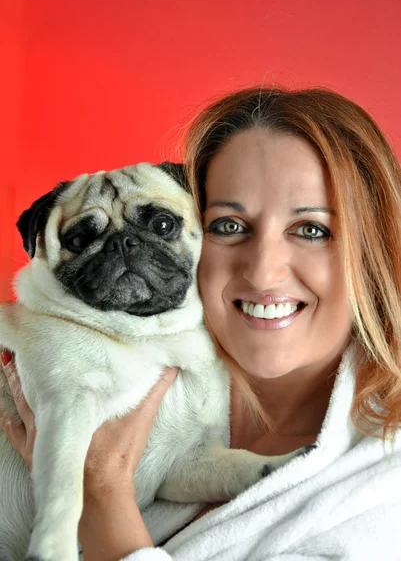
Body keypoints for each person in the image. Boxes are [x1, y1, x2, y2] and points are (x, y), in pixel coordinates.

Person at [1, 86, 401, 560]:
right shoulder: (148, 357)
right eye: (229, 226)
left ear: (371, 251)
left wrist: (103, 495)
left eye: (311, 230)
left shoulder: (380, 495)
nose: (263, 270)